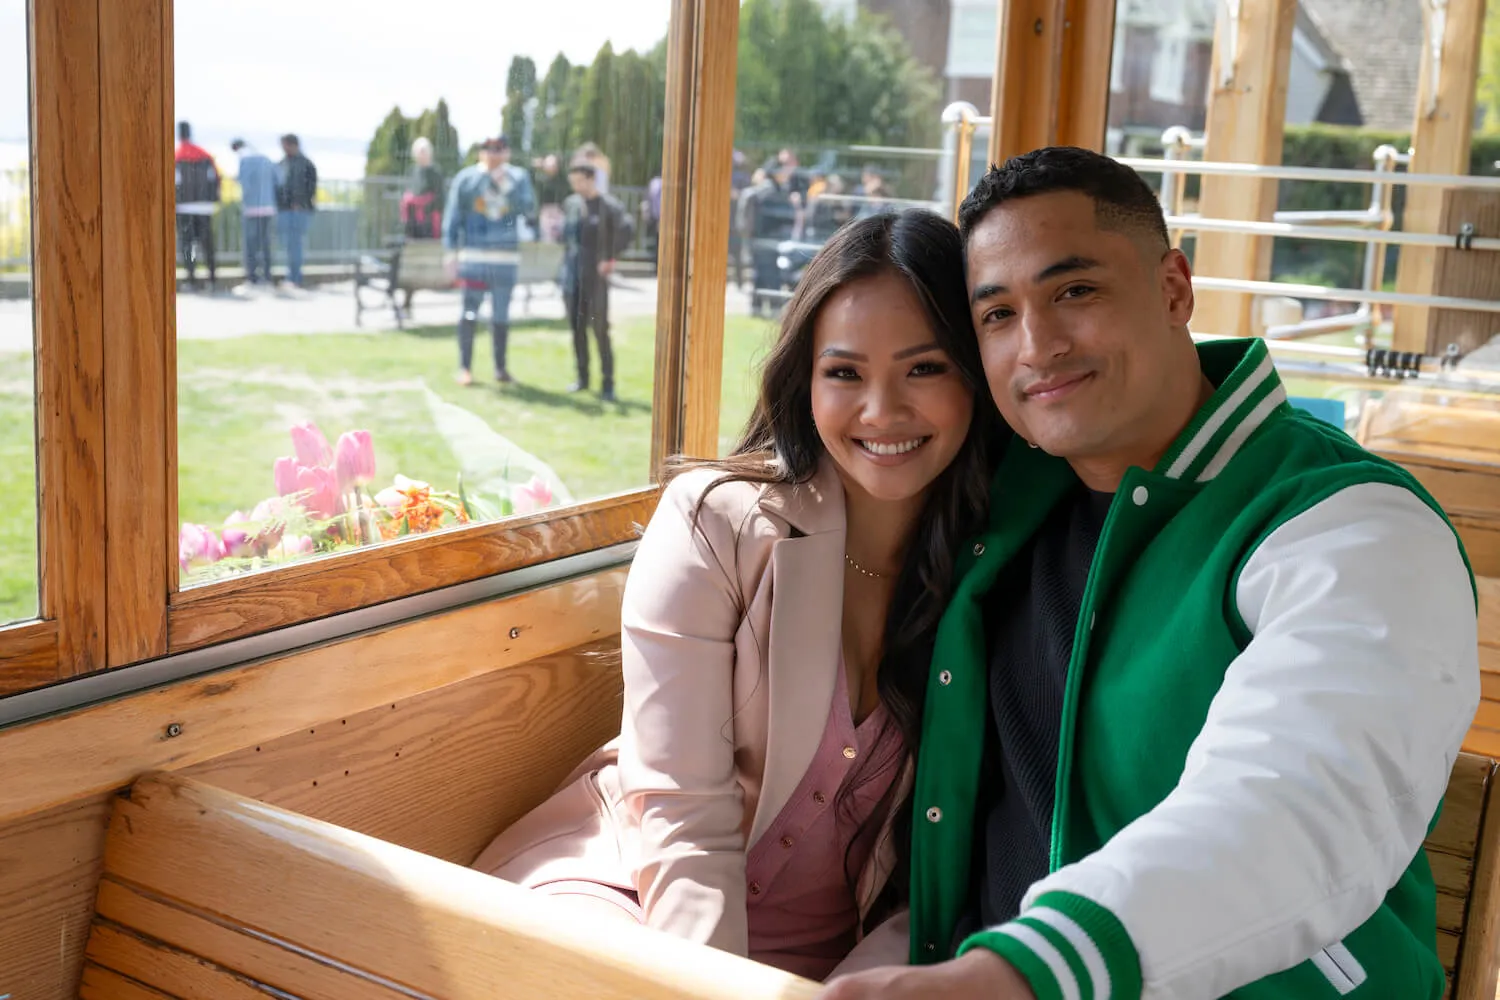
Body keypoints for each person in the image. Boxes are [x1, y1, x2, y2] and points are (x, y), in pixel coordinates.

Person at [819, 147, 1479, 1000]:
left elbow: (1294, 806)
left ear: (1174, 289)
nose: (1039, 346)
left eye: (1075, 292)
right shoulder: (1004, 494)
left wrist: (1022, 974)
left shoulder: (1356, 528)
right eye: (997, 315)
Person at [471, 210, 999, 981]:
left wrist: (865, 985)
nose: (881, 411)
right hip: (627, 889)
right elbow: (681, 819)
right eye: (844, 373)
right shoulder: (716, 520)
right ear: (804, 379)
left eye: (924, 368)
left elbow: (943, 867)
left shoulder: (998, 568)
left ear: (975, 375)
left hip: (832, 961)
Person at [442, 135, 537, 385]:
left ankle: (500, 368)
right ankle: (465, 368)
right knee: (469, 312)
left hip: (505, 259)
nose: (493, 154)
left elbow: (528, 208)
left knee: (501, 315)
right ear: (480, 152)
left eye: (499, 149)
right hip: (474, 258)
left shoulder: (518, 178)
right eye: (488, 149)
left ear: (507, 152)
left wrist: (505, 185)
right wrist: (451, 252)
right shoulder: (467, 178)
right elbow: (453, 216)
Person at [561, 163, 632, 402]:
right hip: (573, 276)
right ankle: (582, 378)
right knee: (577, 329)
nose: (576, 186)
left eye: (580, 181)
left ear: (591, 180)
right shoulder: (571, 204)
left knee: (600, 331)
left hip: (596, 278)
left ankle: (608, 384)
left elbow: (626, 230)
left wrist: (611, 258)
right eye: (573, 182)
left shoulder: (609, 207)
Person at [174, 121, 221, 291]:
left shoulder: (177, 155)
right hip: (205, 207)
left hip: (184, 208)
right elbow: (215, 179)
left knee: (188, 246)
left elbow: (174, 183)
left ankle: (192, 280)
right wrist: (213, 200)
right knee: (207, 244)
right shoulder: (205, 156)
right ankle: (212, 279)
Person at [230, 139, 278, 286]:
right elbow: (278, 180)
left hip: (251, 208)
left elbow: (244, 182)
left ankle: (252, 277)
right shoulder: (265, 158)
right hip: (268, 206)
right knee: (266, 243)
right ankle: (267, 276)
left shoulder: (244, 159)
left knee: (251, 244)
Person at [276, 134, 318, 288]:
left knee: (295, 245)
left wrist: (300, 203)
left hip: (299, 210)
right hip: (285, 210)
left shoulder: (305, 164)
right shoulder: (283, 163)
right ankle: (291, 276)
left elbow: (310, 186)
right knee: (289, 245)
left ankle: (295, 277)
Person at [400, 137, 446, 241]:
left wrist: (423, 204)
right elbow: (406, 192)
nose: (422, 154)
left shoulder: (436, 172)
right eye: (419, 152)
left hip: (430, 220)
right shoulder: (411, 171)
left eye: (424, 151)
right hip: (413, 219)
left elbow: (440, 197)